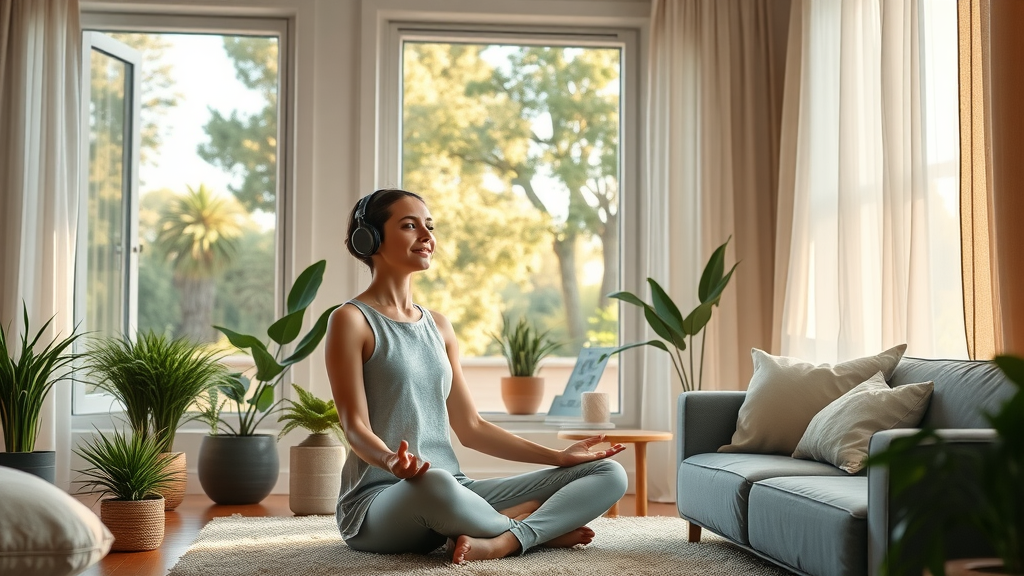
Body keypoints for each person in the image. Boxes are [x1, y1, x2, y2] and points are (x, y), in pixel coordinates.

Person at [325, 188, 628, 564]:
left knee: (608, 473)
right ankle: (534, 529)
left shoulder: (439, 326)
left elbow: (471, 427)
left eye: (429, 226)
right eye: (409, 225)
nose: (427, 236)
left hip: (456, 490)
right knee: (433, 481)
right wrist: (390, 461)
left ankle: (506, 539)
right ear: (369, 238)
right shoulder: (350, 320)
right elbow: (354, 427)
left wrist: (558, 458)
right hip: (378, 504)